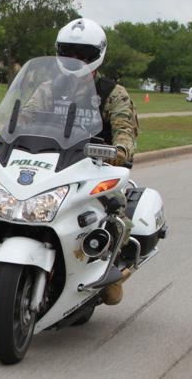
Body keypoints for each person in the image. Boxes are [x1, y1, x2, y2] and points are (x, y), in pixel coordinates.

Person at [55, 17, 139, 305]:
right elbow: (22, 119)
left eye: (83, 54)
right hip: (52, 165)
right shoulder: (49, 88)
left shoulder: (112, 94)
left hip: (95, 167)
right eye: (70, 52)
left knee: (117, 216)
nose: (76, 60)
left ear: (97, 56)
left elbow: (125, 132)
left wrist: (119, 151)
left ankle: (110, 271)